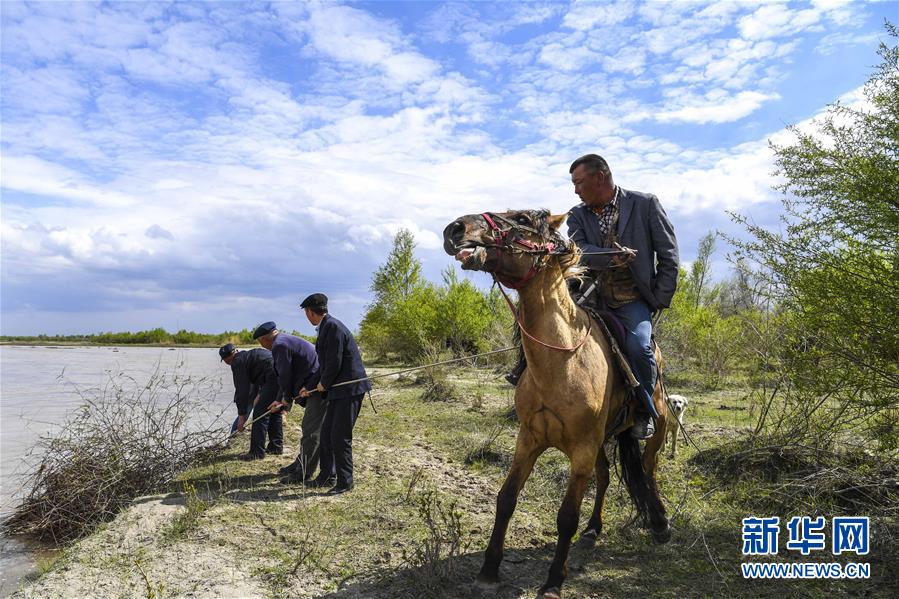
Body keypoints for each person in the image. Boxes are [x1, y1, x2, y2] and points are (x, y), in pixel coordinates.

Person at [566, 153, 679, 439]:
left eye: (579, 182)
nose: (576, 190)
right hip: (589, 298)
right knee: (546, 328)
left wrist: (659, 299)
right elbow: (579, 250)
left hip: (631, 300)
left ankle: (644, 411)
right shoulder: (577, 215)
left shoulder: (645, 204)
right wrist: (612, 255)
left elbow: (669, 256)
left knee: (640, 348)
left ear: (599, 177)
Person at [298, 293, 371, 495]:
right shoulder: (326, 327)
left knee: (340, 437)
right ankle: (326, 476)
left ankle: (345, 482)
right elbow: (323, 365)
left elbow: (334, 363)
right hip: (338, 391)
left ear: (310, 312)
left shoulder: (332, 327)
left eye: (306, 312)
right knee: (327, 434)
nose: (306, 315)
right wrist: (311, 385)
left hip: (350, 389)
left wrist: (324, 384)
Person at [252, 321, 324, 482]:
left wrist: (285, 400)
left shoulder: (279, 346)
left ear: (264, 340)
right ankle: (299, 464)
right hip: (312, 385)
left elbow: (285, 375)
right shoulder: (284, 340)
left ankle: (302, 473)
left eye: (261, 343)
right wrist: (279, 399)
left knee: (311, 432)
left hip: (316, 388)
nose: (263, 347)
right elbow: (283, 376)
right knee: (311, 430)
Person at [218, 342, 284, 460]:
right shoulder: (248, 356)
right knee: (273, 410)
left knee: (259, 413)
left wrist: (242, 418)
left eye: (227, 361)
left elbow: (242, 391)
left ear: (231, 356)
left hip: (272, 375)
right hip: (281, 372)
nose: (228, 363)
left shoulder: (237, 362)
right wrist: (259, 394)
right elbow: (256, 378)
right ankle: (276, 447)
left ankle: (256, 453)